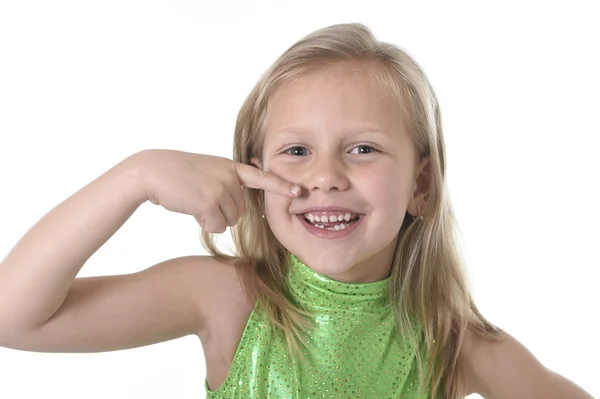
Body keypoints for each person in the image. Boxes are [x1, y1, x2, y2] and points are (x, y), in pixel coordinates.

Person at [0, 23, 594, 399]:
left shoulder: (452, 342)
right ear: (253, 175)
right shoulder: (229, 298)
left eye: (362, 149)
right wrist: (133, 176)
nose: (325, 177)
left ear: (423, 186)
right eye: (296, 151)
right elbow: (13, 318)